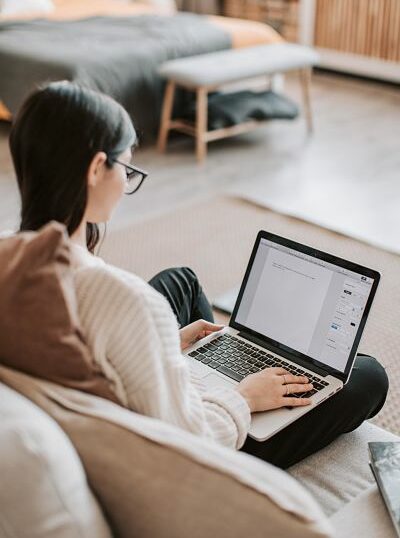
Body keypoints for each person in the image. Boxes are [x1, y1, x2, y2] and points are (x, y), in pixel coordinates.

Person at [9, 81, 389, 469]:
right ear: (95, 169)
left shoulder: (12, 255)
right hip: (207, 445)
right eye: (126, 167)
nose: (127, 182)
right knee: (368, 376)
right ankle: (230, 375)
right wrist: (244, 396)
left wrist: (166, 346)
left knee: (182, 281)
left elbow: (102, 351)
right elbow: (189, 439)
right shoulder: (124, 301)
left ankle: (219, 359)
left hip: (126, 381)